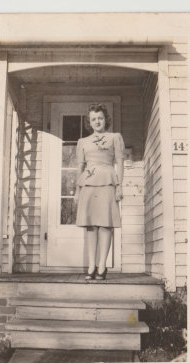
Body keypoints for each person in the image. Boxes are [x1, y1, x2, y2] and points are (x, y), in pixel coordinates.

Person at [74, 103, 125, 280]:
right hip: (88, 184)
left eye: (100, 118)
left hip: (107, 182)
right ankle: (91, 266)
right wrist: (76, 191)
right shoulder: (83, 142)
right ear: (89, 122)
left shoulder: (115, 137)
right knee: (91, 226)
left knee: (105, 225)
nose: (97, 121)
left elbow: (119, 162)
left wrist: (120, 186)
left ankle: (102, 266)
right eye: (93, 119)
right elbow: (80, 167)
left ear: (106, 120)